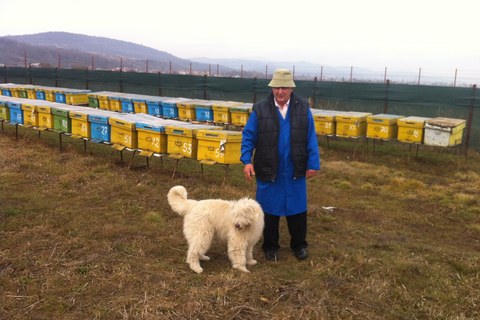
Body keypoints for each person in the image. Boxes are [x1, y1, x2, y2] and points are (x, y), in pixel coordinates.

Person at [240, 68, 320, 261]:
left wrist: (312, 163)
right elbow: (249, 136)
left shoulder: (303, 107)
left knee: (297, 208)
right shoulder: (260, 109)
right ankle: (270, 246)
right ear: (272, 88)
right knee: (269, 208)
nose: (280, 91)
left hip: (295, 167)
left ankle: (299, 245)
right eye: (277, 87)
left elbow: (311, 138)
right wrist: (246, 161)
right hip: (268, 166)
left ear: (291, 88)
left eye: (284, 87)